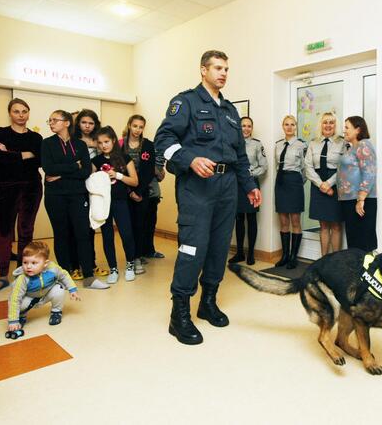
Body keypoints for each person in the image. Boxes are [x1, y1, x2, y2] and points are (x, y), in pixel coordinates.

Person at [154, 49, 261, 345]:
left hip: (227, 188)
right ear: (203, 70)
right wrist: (189, 159)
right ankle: (180, 315)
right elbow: (163, 141)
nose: (223, 73)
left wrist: (249, 185)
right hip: (197, 189)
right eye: (217, 68)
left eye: (226, 68)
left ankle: (208, 302)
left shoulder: (229, 110)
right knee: (192, 249)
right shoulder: (185, 102)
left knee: (218, 248)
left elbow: (239, 155)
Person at [41, 110, 109, 290]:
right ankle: (64, 276)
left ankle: (88, 276)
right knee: (61, 235)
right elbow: (48, 168)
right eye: (50, 120)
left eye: (55, 120)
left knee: (83, 234)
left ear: (67, 123)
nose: (51, 123)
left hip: (78, 195)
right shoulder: (46, 144)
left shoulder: (79, 145)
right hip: (55, 196)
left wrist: (60, 173)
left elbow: (86, 171)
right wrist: (74, 166)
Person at [0, 98, 43, 293]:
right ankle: (3, 276)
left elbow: (39, 160)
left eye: (24, 111)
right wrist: (25, 154)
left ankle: (23, 273)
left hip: (32, 187)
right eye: (16, 111)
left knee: (26, 231)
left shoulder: (36, 137)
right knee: (4, 231)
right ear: (10, 113)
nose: (20, 115)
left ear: (28, 113)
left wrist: (11, 154)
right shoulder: (0, 132)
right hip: (6, 187)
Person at [92, 126, 139, 284]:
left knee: (127, 234)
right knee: (107, 236)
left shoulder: (125, 158)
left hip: (120, 202)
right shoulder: (96, 161)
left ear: (113, 140)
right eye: (100, 143)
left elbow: (134, 181)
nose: (103, 145)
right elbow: (89, 182)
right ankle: (113, 268)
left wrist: (118, 175)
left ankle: (130, 265)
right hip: (103, 204)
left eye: (106, 141)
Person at [7, 241, 81, 332]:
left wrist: (72, 289)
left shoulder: (52, 268)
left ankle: (56, 312)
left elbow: (64, 275)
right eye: (25, 262)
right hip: (29, 298)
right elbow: (15, 298)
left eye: (34, 263)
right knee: (19, 302)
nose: (28, 266)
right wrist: (13, 320)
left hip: (46, 294)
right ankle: (21, 316)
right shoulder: (22, 278)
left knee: (59, 289)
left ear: (45, 264)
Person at [304, 112, 345, 256]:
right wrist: (321, 184)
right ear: (320, 125)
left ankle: (336, 260)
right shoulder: (313, 143)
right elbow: (307, 166)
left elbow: (344, 166)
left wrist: (329, 183)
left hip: (336, 184)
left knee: (335, 225)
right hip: (317, 184)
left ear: (335, 125)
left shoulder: (342, 142)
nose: (328, 125)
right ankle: (324, 259)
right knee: (323, 225)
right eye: (325, 122)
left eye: (331, 122)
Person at [229, 117, 267, 266]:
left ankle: (251, 253)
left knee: (251, 219)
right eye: (243, 126)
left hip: (251, 184)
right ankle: (239, 253)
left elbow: (263, 166)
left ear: (252, 128)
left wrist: (249, 174)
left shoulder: (257, 145)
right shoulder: (233, 143)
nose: (246, 128)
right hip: (236, 185)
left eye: (249, 126)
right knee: (238, 219)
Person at [337, 115, 377, 252]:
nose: (344, 131)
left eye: (347, 127)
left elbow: (369, 172)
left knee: (363, 242)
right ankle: (355, 271)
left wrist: (361, 199)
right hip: (349, 200)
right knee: (354, 242)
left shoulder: (363, 145)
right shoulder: (352, 147)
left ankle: (365, 272)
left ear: (358, 130)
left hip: (360, 201)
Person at [121, 115, 155, 273]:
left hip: (142, 193)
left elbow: (149, 171)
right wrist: (129, 191)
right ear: (129, 125)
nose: (137, 130)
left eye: (141, 127)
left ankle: (138, 257)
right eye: (135, 126)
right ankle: (130, 257)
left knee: (140, 226)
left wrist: (138, 191)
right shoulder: (120, 145)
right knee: (127, 227)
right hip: (124, 192)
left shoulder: (148, 145)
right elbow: (117, 169)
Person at [274, 115, 307, 269]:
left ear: (296, 127)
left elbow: (305, 168)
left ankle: (294, 257)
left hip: (294, 182)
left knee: (295, 221)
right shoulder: (278, 145)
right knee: (283, 221)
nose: (289, 127)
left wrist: (298, 182)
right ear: (282, 126)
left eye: (292, 124)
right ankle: (285, 255)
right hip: (281, 182)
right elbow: (276, 165)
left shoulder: (301, 145)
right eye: (286, 124)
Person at [73, 109, 103, 277]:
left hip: (95, 188)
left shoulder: (99, 141)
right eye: (84, 122)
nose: (87, 126)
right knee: (77, 227)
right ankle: (75, 265)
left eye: (91, 123)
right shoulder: (73, 141)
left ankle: (90, 263)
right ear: (78, 124)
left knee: (90, 227)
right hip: (77, 187)